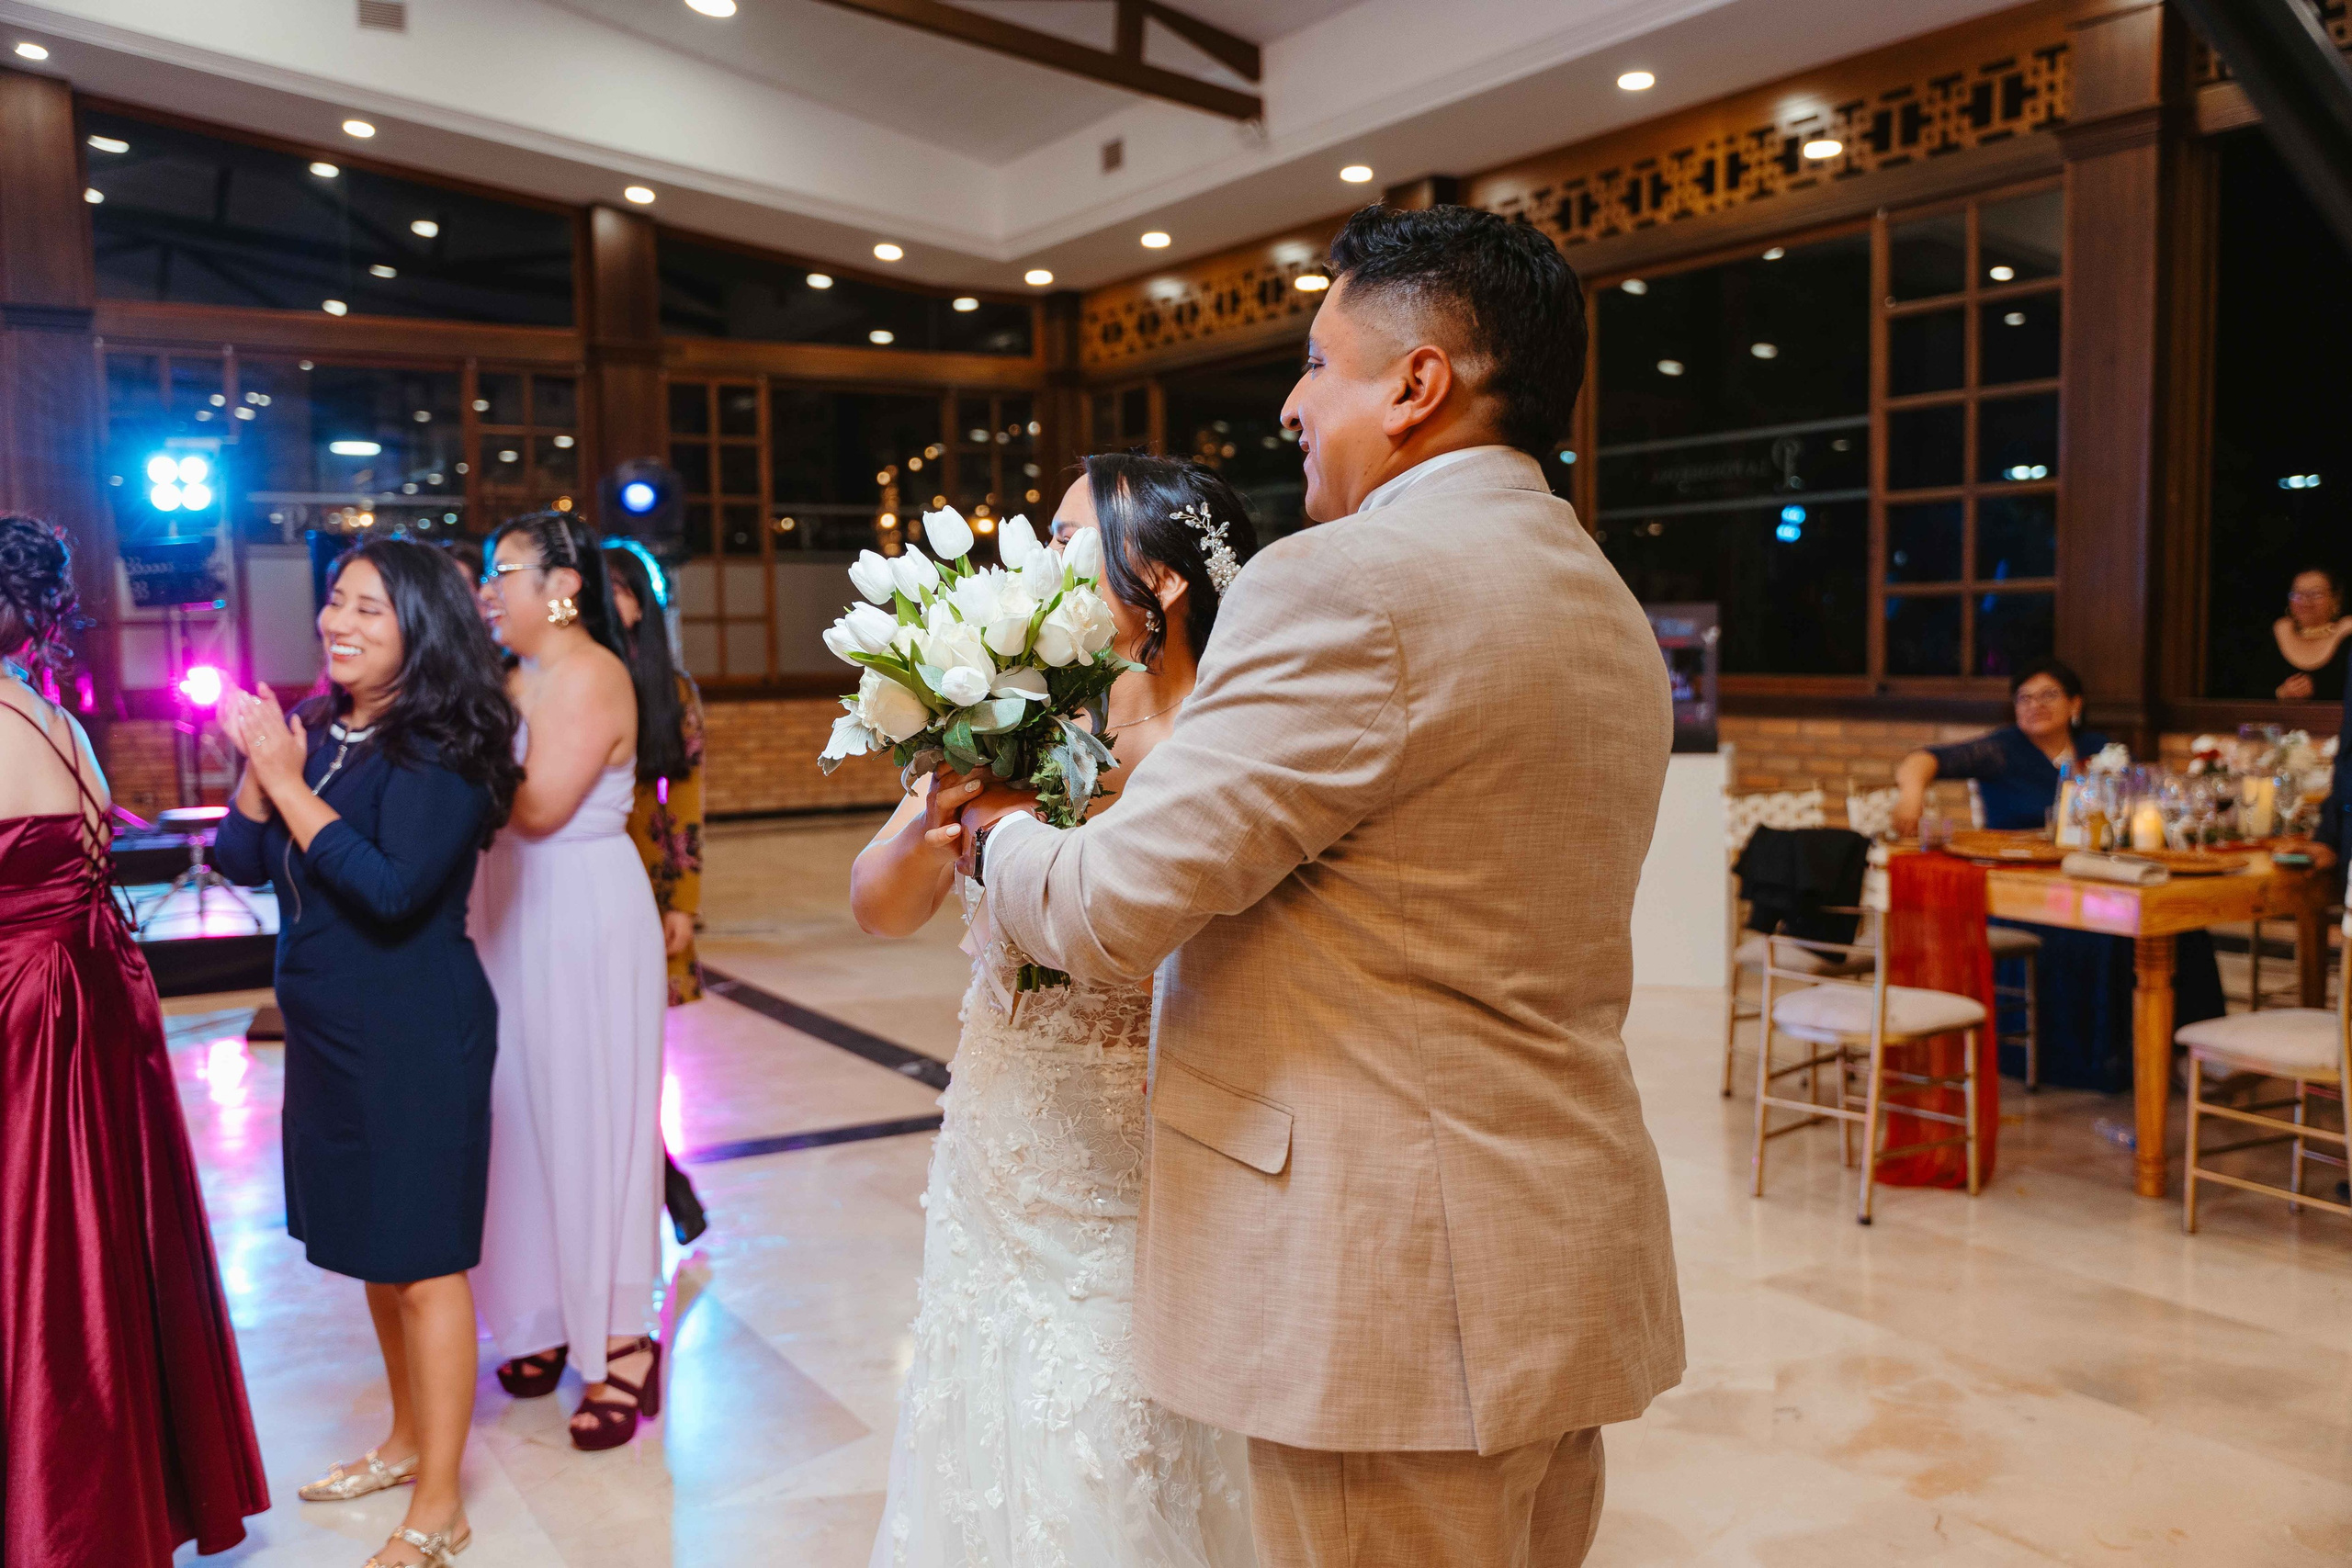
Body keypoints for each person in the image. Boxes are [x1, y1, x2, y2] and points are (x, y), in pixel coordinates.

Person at [960, 204, 1684, 1567]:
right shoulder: (1602, 597)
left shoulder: (1352, 582)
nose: (1292, 403)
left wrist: (997, 832)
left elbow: (1112, 908)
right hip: (1555, 1256)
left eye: (1316, 362)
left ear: (1418, 385)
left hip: (1393, 1290)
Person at [857, 454, 1261, 1568]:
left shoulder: (1225, 747)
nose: (1039, 562)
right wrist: (938, 814)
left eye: (1070, 537)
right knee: (977, 1406)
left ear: (1163, 582)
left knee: (1107, 1431)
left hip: (1135, 1153)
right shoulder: (1019, 711)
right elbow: (878, 905)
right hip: (997, 1129)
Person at [213, 538, 520, 1568]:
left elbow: (392, 891)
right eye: (335, 603)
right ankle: (401, 1442)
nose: (337, 624)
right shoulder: (324, 728)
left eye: (368, 611)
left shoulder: (450, 746)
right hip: (331, 1032)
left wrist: (285, 780)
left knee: (425, 1263)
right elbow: (240, 860)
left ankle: (441, 1505)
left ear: (419, 630)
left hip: (415, 1031)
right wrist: (267, 772)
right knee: (379, 1262)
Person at [0, 513, 269, 1564]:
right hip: (91, 992)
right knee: (89, 1242)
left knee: (36, 1248)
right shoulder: (51, 716)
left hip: (26, 1003)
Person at [468, 510, 669, 1451]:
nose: (488, 590)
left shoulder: (593, 673)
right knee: (517, 1115)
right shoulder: (513, 674)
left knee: (593, 1119)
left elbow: (541, 806)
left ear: (562, 585)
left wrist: (450, 737)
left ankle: (623, 1336)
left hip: (582, 907)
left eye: (502, 572)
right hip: (506, 905)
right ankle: (541, 1311)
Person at [1890, 660, 2222, 1090]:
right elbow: (1922, 759)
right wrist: (1912, 794)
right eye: (2024, 698)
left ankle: (2188, 1054)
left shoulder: (2100, 748)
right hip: (2027, 895)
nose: (2034, 706)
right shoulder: (2002, 749)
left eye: (2048, 695)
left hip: (2090, 878)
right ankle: (2108, 1060)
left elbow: (2140, 799)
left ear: (2074, 704)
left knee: (2181, 924)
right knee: (2108, 930)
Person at [605, 542, 710, 1244]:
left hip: (645, 876)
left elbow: (687, 805)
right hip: (575, 873)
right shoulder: (561, 678)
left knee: (631, 1045)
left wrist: (682, 903)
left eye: (615, 590)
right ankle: (656, 1176)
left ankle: (656, 1175)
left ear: (640, 603)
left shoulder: (668, 690)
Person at [2272, 566, 2350, 701]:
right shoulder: (2278, 631)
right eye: (2297, 594)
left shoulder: (2348, 634)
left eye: (2316, 594)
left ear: (2335, 599)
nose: (2306, 602)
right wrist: (2282, 692)